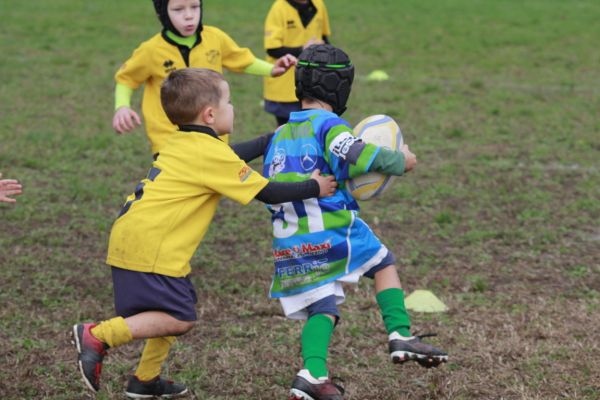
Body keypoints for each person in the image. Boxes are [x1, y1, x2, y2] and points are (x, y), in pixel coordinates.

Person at [72, 68, 337, 398]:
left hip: (135, 238)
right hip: (153, 245)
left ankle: (145, 379)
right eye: (229, 100)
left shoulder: (185, 141)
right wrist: (315, 186)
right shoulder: (209, 153)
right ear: (210, 114)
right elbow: (266, 192)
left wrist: (271, 139)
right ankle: (99, 335)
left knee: (170, 308)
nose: (233, 106)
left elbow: (229, 156)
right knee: (179, 317)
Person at [262, 44, 448, 400]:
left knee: (323, 307)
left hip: (290, 241)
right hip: (329, 228)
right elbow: (356, 154)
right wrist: (401, 161)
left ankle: (312, 373)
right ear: (339, 86)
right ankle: (400, 334)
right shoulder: (329, 125)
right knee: (382, 262)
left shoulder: (280, 136)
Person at [112, 0, 297, 156]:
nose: (189, 15)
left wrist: (272, 69)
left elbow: (242, 60)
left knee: (208, 193)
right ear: (163, 12)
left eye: (195, 7)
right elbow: (126, 78)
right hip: (169, 140)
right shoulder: (151, 50)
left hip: (212, 134)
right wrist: (122, 107)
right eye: (178, 9)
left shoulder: (214, 38)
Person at [263, 0, 331, 126]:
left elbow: (325, 39)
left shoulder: (319, 5)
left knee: (313, 129)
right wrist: (302, 50)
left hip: (314, 84)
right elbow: (272, 49)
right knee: (288, 132)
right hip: (284, 87)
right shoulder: (279, 8)